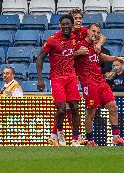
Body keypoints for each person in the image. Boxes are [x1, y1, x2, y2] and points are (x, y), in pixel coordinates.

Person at [46, 9, 106, 146]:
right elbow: (63, 54)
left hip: (76, 73)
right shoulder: (64, 35)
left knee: (72, 106)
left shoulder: (84, 31)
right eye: (75, 18)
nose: (78, 21)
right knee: (65, 106)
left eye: (80, 18)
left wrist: (98, 44)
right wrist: (77, 52)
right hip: (65, 73)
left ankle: (60, 136)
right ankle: (61, 135)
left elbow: (102, 37)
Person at [74, 23, 124, 146]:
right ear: (87, 31)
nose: (96, 34)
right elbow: (68, 57)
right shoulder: (80, 45)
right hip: (89, 83)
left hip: (100, 81)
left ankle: (116, 137)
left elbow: (100, 56)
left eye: (98, 32)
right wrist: (77, 53)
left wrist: (116, 58)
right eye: (93, 31)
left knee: (113, 106)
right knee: (91, 112)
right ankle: (89, 140)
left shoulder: (94, 46)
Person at [36, 15, 81, 147]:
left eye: (68, 24)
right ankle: (60, 134)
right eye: (63, 24)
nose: (66, 27)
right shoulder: (52, 40)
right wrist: (40, 79)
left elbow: (92, 32)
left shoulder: (75, 38)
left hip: (71, 77)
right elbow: (40, 58)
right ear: (60, 25)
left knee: (75, 107)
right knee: (61, 110)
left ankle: (75, 139)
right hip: (57, 78)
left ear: (72, 26)